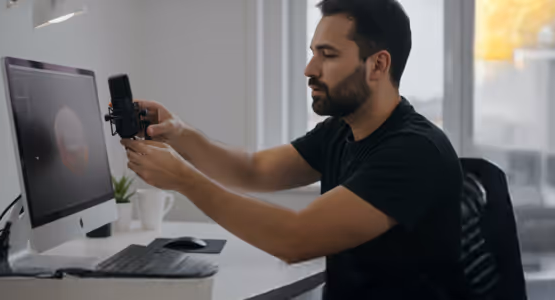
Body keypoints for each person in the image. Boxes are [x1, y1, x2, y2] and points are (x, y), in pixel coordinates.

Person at [121, 0, 496, 299]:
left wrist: (185, 181)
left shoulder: (414, 151)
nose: (309, 68)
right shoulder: (341, 130)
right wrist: (179, 133)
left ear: (378, 65)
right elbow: (254, 170)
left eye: (328, 55)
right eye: (313, 52)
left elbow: (296, 238)